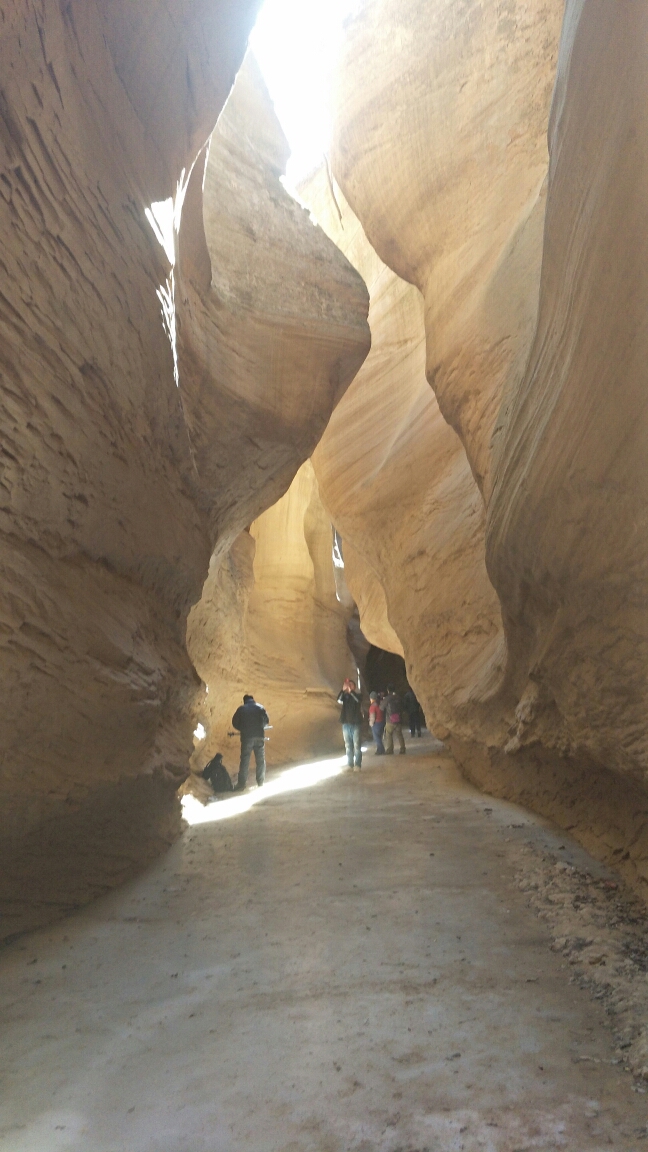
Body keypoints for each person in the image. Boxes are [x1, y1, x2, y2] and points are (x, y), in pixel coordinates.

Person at [231, 694, 269, 790]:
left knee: (245, 760)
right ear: (253, 700)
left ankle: (241, 784)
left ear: (244, 701)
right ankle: (260, 782)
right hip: (259, 737)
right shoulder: (260, 707)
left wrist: (242, 728)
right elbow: (266, 721)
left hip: (247, 737)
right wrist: (260, 727)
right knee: (260, 760)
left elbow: (234, 722)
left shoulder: (241, 709)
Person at [337, 678, 363, 770]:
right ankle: (350, 764)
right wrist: (343, 690)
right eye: (348, 685)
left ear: (354, 687)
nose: (349, 686)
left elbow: (358, 700)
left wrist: (351, 691)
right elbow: (339, 700)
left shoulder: (358, 695)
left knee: (357, 745)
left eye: (351, 685)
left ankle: (358, 765)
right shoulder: (345, 696)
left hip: (356, 724)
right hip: (346, 724)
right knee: (348, 746)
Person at [382, 684, 406, 755]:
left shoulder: (387, 698)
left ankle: (390, 749)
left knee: (388, 734)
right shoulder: (399, 697)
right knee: (399, 735)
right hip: (398, 719)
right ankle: (402, 749)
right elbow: (403, 707)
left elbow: (381, 707)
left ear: (388, 690)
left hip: (389, 720)